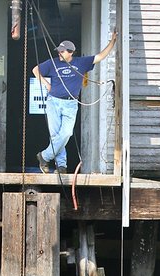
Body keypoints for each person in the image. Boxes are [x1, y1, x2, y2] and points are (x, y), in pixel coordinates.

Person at [32, 32, 118, 175]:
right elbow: (35, 70)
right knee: (56, 136)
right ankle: (61, 167)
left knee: (66, 133)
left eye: (62, 51)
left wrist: (113, 41)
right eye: (58, 51)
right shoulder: (53, 63)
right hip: (53, 102)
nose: (59, 53)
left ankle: (44, 156)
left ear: (70, 52)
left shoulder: (81, 63)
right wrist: (46, 84)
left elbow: (101, 56)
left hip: (70, 104)